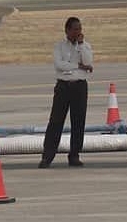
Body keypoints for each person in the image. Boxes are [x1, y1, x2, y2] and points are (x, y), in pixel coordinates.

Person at [39, 16, 93, 168]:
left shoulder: (85, 46)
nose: (78, 32)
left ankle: (74, 155)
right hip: (63, 87)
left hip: (79, 87)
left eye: (80, 29)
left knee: (78, 121)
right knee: (56, 122)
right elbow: (60, 65)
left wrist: (81, 46)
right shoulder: (59, 47)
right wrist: (78, 65)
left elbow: (88, 62)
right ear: (67, 30)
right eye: (75, 29)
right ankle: (47, 156)